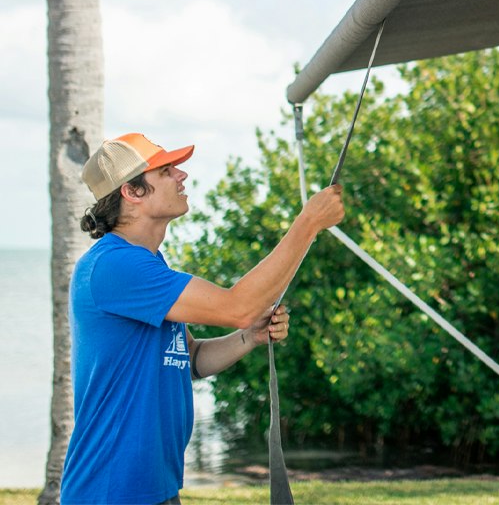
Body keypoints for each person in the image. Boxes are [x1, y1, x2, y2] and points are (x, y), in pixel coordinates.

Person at [60, 132, 345, 505]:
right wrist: (308, 224)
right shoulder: (115, 266)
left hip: (155, 489)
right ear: (132, 192)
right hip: (111, 492)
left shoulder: (147, 264)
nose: (182, 176)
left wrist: (249, 338)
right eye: (166, 172)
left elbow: (189, 359)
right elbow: (237, 307)